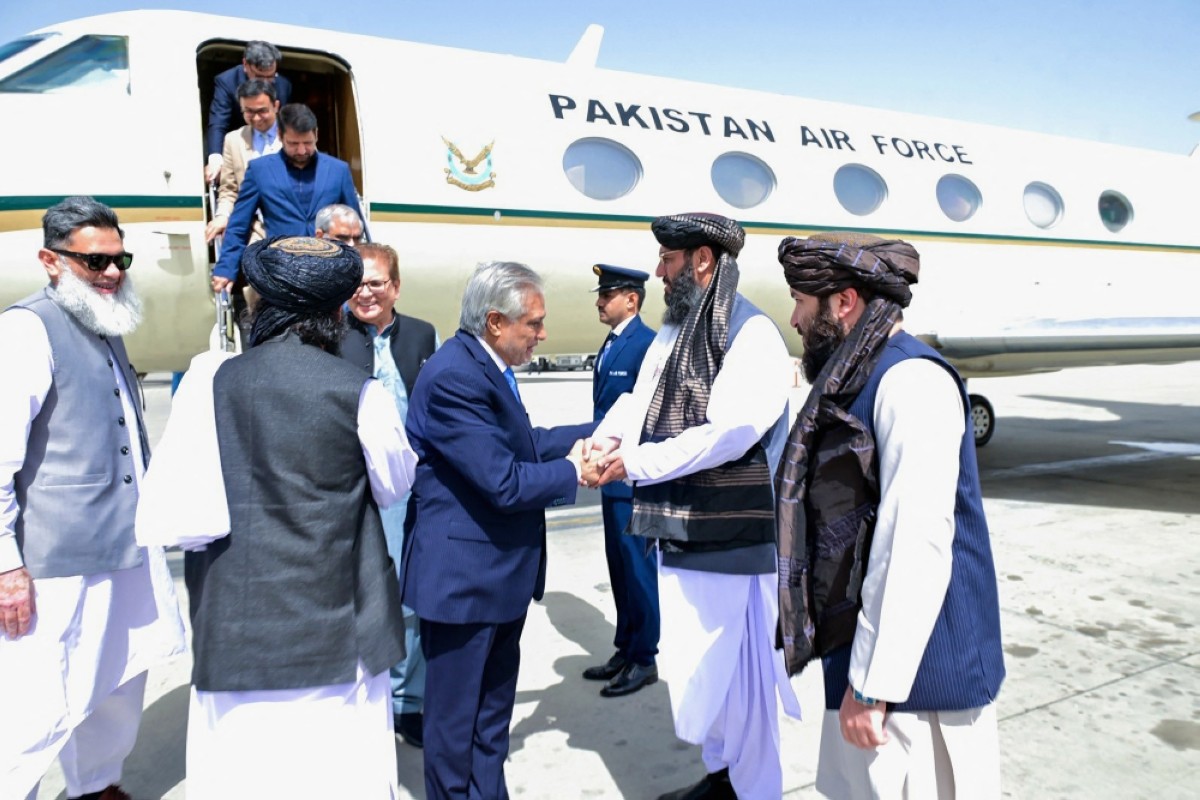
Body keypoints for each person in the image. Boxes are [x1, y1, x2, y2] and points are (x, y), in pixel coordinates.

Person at [135, 236, 417, 799]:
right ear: (335, 314)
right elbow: (394, 486)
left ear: (259, 307)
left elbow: (176, 518)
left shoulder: (209, 383)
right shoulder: (361, 394)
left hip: (236, 633)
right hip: (339, 632)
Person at [774, 232, 1005, 799]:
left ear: (844, 302)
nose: (795, 319)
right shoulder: (858, 375)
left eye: (801, 302)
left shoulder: (910, 381)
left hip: (918, 684)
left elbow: (913, 543)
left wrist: (872, 686)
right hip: (870, 664)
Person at [583, 213, 801, 800]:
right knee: (703, 672)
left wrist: (637, 463)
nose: (659, 271)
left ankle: (753, 788)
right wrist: (605, 442)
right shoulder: (676, 328)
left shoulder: (751, 332)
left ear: (702, 260)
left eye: (668, 259)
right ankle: (721, 776)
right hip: (685, 527)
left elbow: (729, 433)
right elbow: (640, 399)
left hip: (737, 536)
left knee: (743, 677)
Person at [0, 197, 186, 800]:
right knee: (36, 701)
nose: (111, 273)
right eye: (94, 261)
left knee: (117, 681)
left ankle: (98, 786)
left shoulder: (103, 321)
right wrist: (6, 565)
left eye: (119, 260)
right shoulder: (26, 330)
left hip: (122, 545)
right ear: (50, 260)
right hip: (56, 559)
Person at [400, 261, 596, 799]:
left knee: (489, 723)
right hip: (465, 587)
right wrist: (575, 471)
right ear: (494, 322)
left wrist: (604, 430)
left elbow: (524, 443)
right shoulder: (455, 376)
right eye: (533, 323)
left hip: (497, 581)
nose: (542, 334)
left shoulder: (481, 366)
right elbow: (504, 481)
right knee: (453, 731)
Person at [340, 241, 437, 747]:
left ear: (395, 287)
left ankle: (408, 702)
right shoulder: (331, 335)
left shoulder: (422, 334)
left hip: (407, 491)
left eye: (376, 282)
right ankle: (363, 698)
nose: (366, 292)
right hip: (351, 490)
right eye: (357, 283)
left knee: (409, 600)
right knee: (356, 597)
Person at [581, 263, 660, 698]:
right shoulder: (614, 342)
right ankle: (626, 647)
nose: (599, 301)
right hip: (609, 474)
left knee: (638, 568)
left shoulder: (647, 345)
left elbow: (649, 413)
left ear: (632, 299)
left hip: (629, 477)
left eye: (607, 294)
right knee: (619, 566)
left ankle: (644, 657)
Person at [211, 103, 367, 294]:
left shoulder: (338, 170)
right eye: (293, 144)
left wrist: (363, 265)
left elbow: (355, 224)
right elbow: (239, 223)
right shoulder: (260, 171)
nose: (301, 151)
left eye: (308, 143)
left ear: (316, 135)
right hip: (281, 273)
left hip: (328, 273)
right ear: (280, 136)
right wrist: (226, 268)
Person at [205, 78, 283, 244]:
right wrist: (222, 216)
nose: (256, 118)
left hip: (291, 224)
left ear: (276, 106)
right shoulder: (233, 140)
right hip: (254, 228)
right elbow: (229, 189)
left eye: (262, 111)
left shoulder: (295, 134)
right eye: (249, 112)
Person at [204, 40, 292, 182]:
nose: (265, 83)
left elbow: (285, 124)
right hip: (238, 146)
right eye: (259, 77)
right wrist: (215, 157)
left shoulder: (283, 85)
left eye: (270, 77)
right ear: (245, 64)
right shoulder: (227, 82)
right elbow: (218, 122)